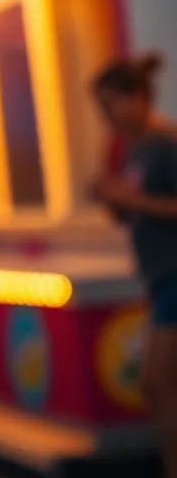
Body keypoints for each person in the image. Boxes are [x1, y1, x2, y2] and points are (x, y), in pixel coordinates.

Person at [90, 53, 177, 477]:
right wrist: (112, 200)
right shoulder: (134, 150)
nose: (108, 117)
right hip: (159, 276)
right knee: (159, 383)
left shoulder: (165, 144)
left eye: (111, 105)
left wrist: (129, 199)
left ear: (138, 98)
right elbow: (134, 212)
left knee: (157, 380)